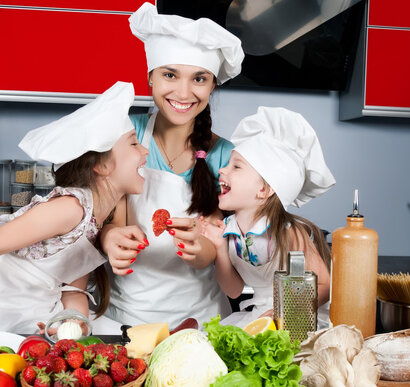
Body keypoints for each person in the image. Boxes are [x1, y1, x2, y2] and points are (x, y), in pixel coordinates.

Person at [0, 82, 148, 347]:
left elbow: (73, 288)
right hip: (5, 307)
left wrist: (73, 320)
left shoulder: (98, 218)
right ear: (101, 165)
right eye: (134, 144)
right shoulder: (71, 208)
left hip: (44, 306)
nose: (144, 151)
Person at [100, 3, 245, 327]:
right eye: (169, 75)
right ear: (150, 77)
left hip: (202, 322)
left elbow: (214, 242)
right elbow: (111, 218)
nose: (183, 91)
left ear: (212, 85)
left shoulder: (224, 155)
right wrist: (111, 238)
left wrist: (200, 248)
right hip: (125, 320)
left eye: (199, 78)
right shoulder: (125, 134)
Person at [200, 106, 336, 328]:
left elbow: (322, 285)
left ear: (263, 190)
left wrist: (280, 313)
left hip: (297, 319)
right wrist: (220, 250)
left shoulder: (289, 231)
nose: (222, 171)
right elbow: (234, 291)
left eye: (236, 166)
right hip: (259, 315)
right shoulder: (229, 228)